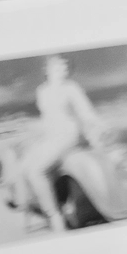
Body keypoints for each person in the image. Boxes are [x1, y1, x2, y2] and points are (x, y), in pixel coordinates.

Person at [14, 54, 102, 233]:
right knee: (22, 166)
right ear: (47, 69)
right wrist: (38, 138)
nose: (63, 71)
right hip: (51, 136)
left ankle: (54, 216)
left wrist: (96, 128)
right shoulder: (42, 91)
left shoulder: (71, 88)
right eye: (57, 67)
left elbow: (86, 112)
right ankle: (34, 208)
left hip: (69, 135)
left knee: (37, 170)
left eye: (65, 68)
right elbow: (47, 119)